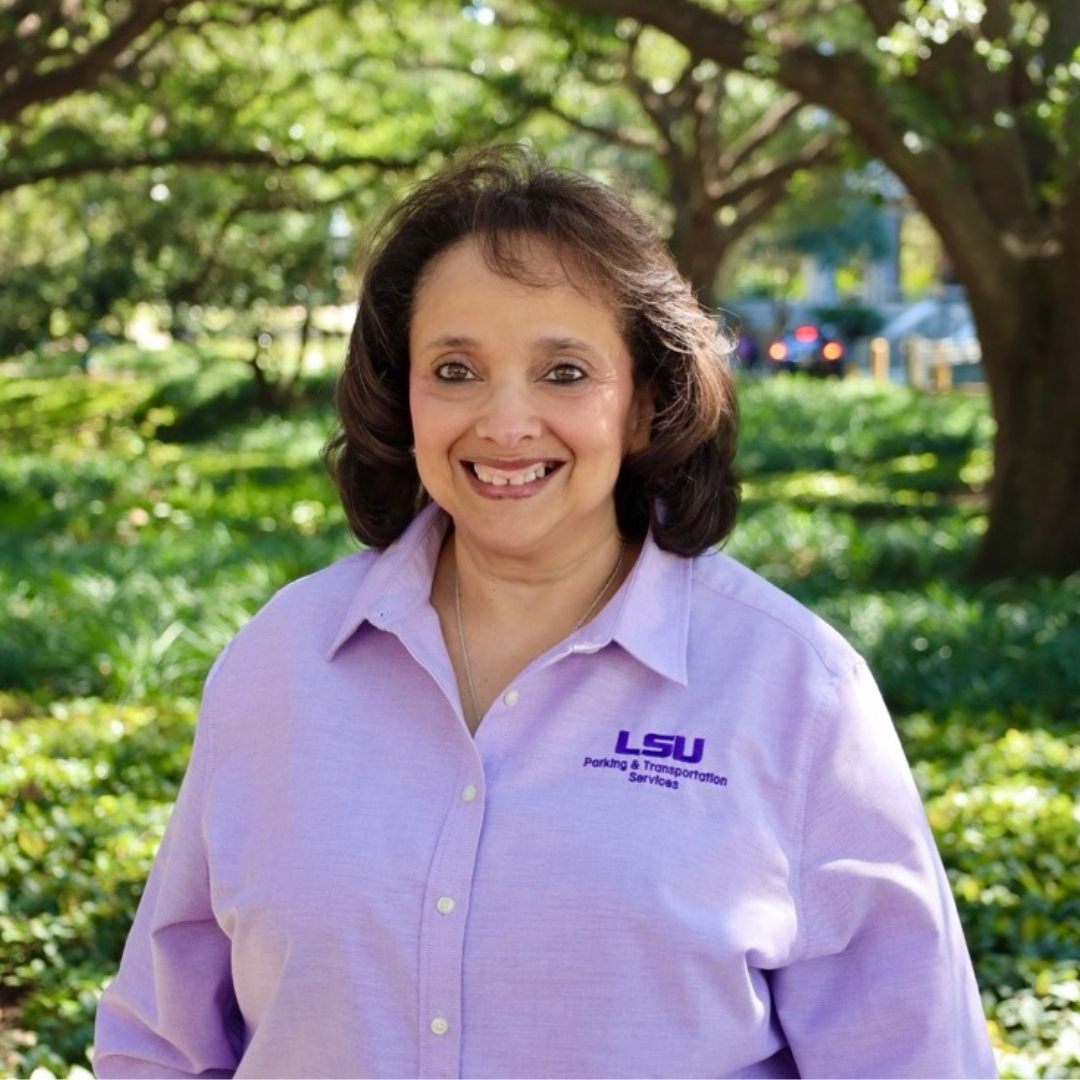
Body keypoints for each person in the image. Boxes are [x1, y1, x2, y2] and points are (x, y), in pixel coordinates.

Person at [94, 146, 996, 1079]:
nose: (505, 423)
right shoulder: (280, 662)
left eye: (564, 372)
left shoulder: (795, 693)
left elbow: (916, 1057)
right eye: (454, 369)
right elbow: (160, 1044)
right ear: (404, 397)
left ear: (645, 403)